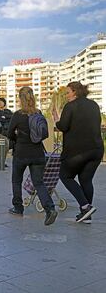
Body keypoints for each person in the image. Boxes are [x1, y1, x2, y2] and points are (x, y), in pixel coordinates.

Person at [52, 81, 103, 223]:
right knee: (86, 180)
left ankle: (86, 207)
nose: (66, 95)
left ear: (75, 91)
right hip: (96, 150)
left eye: (68, 92)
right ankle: (87, 216)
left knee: (65, 175)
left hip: (77, 152)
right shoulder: (93, 105)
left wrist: (56, 120)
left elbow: (63, 126)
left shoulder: (70, 106)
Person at [6, 86, 57, 226]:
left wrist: (17, 138)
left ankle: (18, 207)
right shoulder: (38, 113)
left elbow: (9, 133)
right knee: (39, 182)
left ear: (20, 99)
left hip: (21, 153)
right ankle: (50, 208)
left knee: (16, 181)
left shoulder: (18, 115)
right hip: (37, 153)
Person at [0, 97, 13, 167]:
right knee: (6, 146)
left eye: (1, 102)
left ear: (4, 103)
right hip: (1, 132)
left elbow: (12, 116)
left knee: (6, 147)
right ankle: (1, 160)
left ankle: (2, 161)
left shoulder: (8, 111)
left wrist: (4, 117)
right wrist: (5, 118)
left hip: (8, 131)